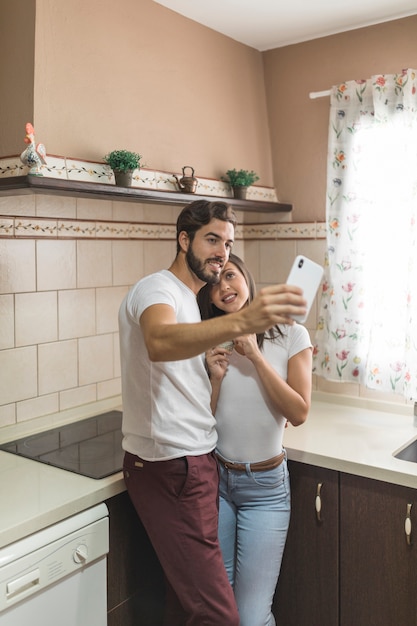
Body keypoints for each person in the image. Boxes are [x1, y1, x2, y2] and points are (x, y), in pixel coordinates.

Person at [118, 199, 307, 626]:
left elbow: (296, 411)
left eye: (229, 244)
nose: (221, 252)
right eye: (211, 240)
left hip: (206, 469)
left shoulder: (191, 304)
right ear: (183, 240)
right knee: (218, 614)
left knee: (192, 606)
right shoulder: (158, 290)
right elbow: (159, 342)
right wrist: (242, 322)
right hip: (178, 468)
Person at [197, 253, 312, 626]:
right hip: (218, 483)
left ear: (246, 277)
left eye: (229, 275)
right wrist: (213, 380)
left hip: (265, 490)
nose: (224, 287)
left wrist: (257, 357)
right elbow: (204, 422)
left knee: (249, 616)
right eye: (214, 283)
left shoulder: (291, 333)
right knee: (221, 609)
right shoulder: (211, 339)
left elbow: (298, 412)